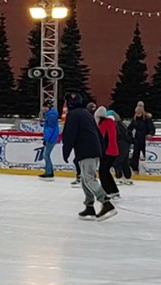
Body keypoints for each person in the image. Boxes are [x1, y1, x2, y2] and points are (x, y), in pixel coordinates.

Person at [61, 92, 115, 221]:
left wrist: (66, 150)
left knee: (88, 178)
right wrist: (101, 149)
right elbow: (97, 132)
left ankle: (106, 203)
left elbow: (69, 134)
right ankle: (89, 207)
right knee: (85, 179)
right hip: (91, 150)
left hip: (86, 151)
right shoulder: (86, 114)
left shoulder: (73, 115)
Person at [94, 107, 121, 200]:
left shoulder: (104, 124)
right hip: (112, 150)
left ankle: (109, 191)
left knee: (103, 171)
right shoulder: (110, 123)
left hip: (108, 151)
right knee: (105, 171)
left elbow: (102, 138)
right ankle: (113, 190)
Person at [129, 103, 154, 176]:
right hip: (137, 139)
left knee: (146, 154)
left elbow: (151, 128)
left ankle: (147, 169)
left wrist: (150, 134)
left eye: (139, 113)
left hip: (145, 140)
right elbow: (129, 128)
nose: (137, 114)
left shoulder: (147, 119)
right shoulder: (134, 119)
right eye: (136, 113)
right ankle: (135, 169)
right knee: (135, 155)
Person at [38, 101, 60, 180]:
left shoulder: (51, 115)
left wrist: (46, 138)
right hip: (52, 137)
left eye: (45, 107)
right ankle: (49, 171)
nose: (43, 109)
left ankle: (49, 172)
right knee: (46, 155)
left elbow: (50, 128)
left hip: (51, 138)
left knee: (46, 155)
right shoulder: (50, 114)